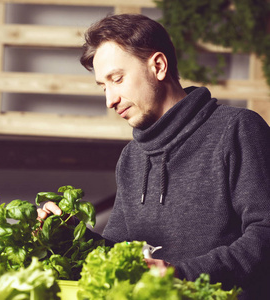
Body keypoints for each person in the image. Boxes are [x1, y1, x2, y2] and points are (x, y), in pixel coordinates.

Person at [37, 13, 270, 299]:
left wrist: (182, 275)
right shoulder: (131, 157)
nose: (110, 100)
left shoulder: (238, 129)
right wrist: (71, 234)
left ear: (158, 66)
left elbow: (266, 233)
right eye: (103, 86)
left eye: (117, 79)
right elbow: (120, 252)